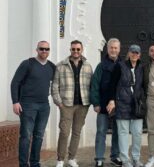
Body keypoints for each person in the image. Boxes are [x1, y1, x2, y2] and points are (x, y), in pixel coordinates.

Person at [10, 40, 56, 167]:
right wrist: (15, 102)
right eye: (41, 49)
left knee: (39, 135)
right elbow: (15, 83)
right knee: (26, 136)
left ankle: (35, 163)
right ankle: (23, 164)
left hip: (44, 106)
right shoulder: (27, 64)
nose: (44, 51)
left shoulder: (52, 67)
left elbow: (58, 84)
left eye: (47, 49)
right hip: (27, 104)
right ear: (37, 50)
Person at [52, 40, 93, 167]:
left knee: (76, 132)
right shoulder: (61, 65)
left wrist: (90, 101)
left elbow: (92, 85)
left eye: (78, 49)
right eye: (73, 49)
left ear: (82, 50)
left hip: (83, 105)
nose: (76, 51)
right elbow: (54, 86)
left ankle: (72, 158)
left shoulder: (87, 66)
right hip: (66, 105)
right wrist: (59, 102)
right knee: (64, 132)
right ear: (70, 50)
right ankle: (60, 159)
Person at [107, 44, 145, 167]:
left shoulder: (142, 67)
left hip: (137, 105)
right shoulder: (120, 66)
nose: (134, 54)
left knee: (137, 133)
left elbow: (144, 85)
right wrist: (112, 100)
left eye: (137, 52)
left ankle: (135, 158)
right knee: (123, 133)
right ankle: (125, 160)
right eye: (132, 52)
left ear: (139, 55)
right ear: (128, 53)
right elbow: (112, 84)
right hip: (122, 103)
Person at [90, 38, 122, 167]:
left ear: (119, 49)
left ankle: (115, 156)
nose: (113, 50)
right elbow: (94, 85)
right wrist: (96, 103)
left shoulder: (123, 65)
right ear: (107, 49)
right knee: (101, 131)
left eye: (115, 48)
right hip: (103, 104)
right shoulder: (101, 66)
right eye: (111, 48)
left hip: (119, 105)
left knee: (117, 132)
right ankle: (99, 158)